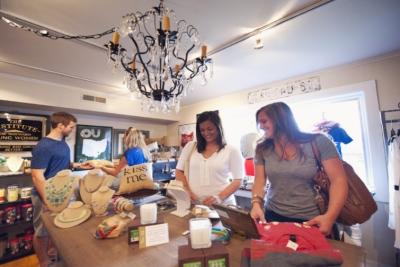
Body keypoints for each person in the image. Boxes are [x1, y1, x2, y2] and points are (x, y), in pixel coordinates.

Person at [250, 102, 348, 235]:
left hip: (312, 218)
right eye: (259, 122)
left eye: (264, 121)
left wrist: (329, 217)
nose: (260, 126)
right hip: (272, 215)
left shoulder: (319, 141)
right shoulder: (262, 148)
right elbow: (260, 180)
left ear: (281, 120)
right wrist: (256, 204)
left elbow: (339, 181)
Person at [31, 112, 93, 267]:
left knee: (56, 227)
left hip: (62, 193)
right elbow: (37, 176)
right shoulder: (44, 146)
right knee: (42, 232)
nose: (72, 130)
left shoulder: (62, 143)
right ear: (60, 125)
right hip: (44, 195)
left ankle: (53, 256)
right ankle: (44, 262)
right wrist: (48, 199)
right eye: (71, 127)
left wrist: (78, 165)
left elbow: (62, 163)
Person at [175, 111, 244, 206]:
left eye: (210, 129)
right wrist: (188, 192)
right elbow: (179, 172)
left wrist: (220, 197)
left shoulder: (232, 150)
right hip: (195, 204)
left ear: (218, 128)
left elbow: (238, 180)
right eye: (202, 130)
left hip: (223, 205)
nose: (206, 133)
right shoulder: (190, 147)